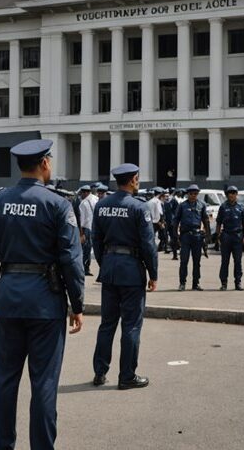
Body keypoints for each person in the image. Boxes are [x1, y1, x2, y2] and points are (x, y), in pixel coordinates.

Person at [0, 139, 85, 450]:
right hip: (46, 302)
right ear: (45, 163)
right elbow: (71, 259)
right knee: (44, 384)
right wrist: (77, 304)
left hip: (9, 296)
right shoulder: (58, 204)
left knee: (6, 380)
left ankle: (3, 445)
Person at [91, 163, 157, 390]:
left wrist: (104, 262)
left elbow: (96, 241)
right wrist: (153, 273)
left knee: (107, 324)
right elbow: (148, 245)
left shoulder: (102, 205)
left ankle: (100, 372)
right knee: (131, 326)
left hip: (109, 269)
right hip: (131, 271)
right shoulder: (139, 207)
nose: (138, 182)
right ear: (132, 180)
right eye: (137, 178)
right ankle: (127, 376)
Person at [173, 185, 210, 291]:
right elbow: (176, 221)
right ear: (187, 194)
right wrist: (175, 235)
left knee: (197, 262)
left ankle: (196, 283)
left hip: (197, 236)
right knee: (184, 261)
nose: (193, 196)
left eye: (195, 194)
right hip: (185, 236)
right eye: (191, 194)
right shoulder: (182, 206)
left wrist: (208, 236)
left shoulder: (201, 205)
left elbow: (206, 220)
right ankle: (182, 283)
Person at [215, 186, 244, 291]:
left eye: (234, 193)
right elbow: (219, 222)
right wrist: (217, 237)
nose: (231, 195)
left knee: (238, 261)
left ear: (236, 194)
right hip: (226, 235)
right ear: (227, 195)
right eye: (230, 193)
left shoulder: (241, 207)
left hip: (237, 236)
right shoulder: (223, 207)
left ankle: (238, 282)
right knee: (225, 261)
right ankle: (224, 283)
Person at [77, 185, 94, 276]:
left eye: (82, 193)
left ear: (86, 192)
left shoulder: (83, 203)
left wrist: (81, 233)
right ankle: (87, 268)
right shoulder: (96, 199)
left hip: (87, 229)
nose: (81, 195)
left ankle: (84, 268)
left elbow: (82, 220)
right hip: (95, 228)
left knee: (86, 250)